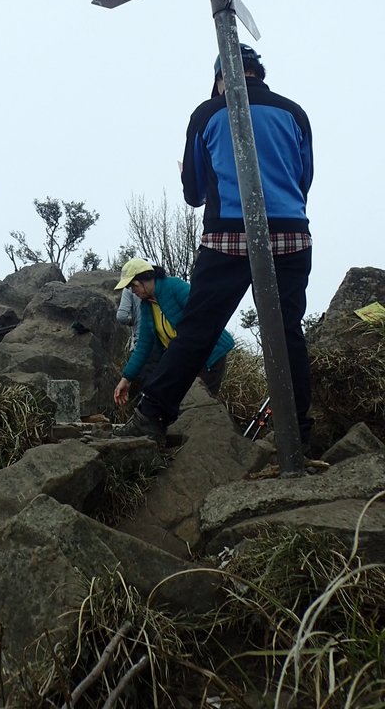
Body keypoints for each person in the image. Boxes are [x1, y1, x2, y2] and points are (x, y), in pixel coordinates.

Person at [118, 44, 314, 447]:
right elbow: (303, 178)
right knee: (287, 331)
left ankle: (152, 415)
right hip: (291, 234)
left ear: (220, 80)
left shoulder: (208, 113)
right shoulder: (295, 112)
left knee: (198, 330)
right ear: (258, 72)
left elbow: (193, 192)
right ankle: (300, 431)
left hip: (228, 234)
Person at [113, 259, 233, 404]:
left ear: (145, 278)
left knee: (199, 405)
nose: (132, 291)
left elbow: (202, 316)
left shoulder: (174, 286)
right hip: (185, 360)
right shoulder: (147, 305)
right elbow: (144, 346)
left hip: (210, 354)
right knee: (177, 404)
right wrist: (126, 379)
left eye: (133, 285)